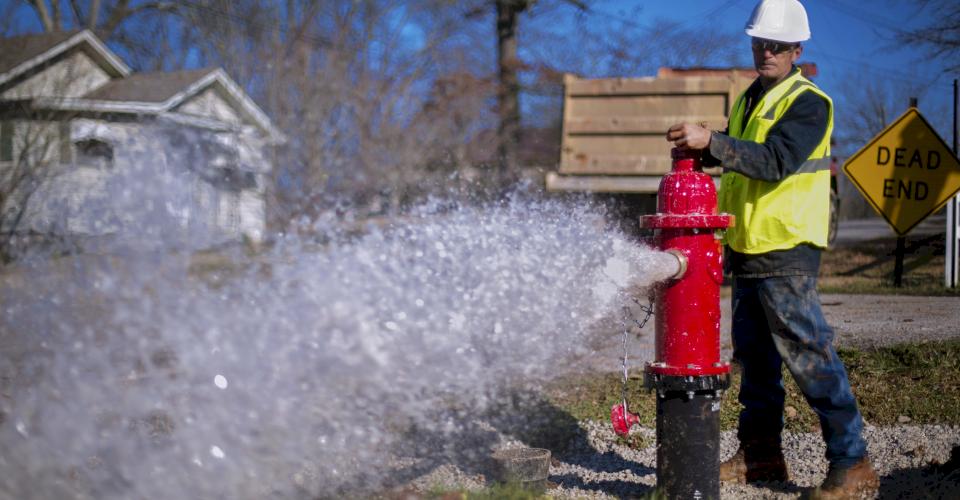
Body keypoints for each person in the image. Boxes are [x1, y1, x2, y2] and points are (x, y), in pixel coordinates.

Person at [665, 0, 879, 498]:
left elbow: (775, 160)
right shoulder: (750, 98)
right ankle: (760, 456)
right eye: (760, 42)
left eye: (777, 46)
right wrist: (703, 150)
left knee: (810, 356)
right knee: (756, 363)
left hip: (786, 249)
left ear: (796, 50)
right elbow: (743, 160)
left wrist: (712, 141)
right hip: (749, 246)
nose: (767, 52)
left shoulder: (809, 102)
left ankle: (852, 463)